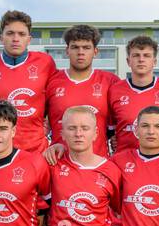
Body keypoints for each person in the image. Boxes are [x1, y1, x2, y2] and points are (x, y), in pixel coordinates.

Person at [0, 9, 57, 153]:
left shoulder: (45, 62)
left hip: (36, 150)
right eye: (10, 33)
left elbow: (54, 101)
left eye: (21, 34)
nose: (15, 38)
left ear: (29, 39)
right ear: (1, 37)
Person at [46, 24, 118, 157]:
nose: (80, 52)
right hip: (59, 163)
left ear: (95, 51)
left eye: (86, 47)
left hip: (98, 163)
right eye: (75, 47)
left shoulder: (110, 81)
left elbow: (121, 122)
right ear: (67, 50)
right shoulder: (51, 81)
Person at [107, 35, 159, 153]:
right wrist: (113, 138)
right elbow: (110, 129)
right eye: (136, 55)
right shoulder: (115, 90)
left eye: (146, 56)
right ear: (128, 61)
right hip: (124, 160)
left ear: (154, 61)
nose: (141, 60)